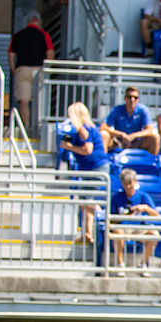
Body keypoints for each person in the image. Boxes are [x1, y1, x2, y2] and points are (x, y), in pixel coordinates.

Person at [58, 102, 108, 243]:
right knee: (87, 201)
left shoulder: (83, 130)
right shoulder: (91, 127)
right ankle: (89, 232)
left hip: (94, 168)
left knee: (86, 201)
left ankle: (90, 232)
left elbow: (88, 149)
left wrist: (69, 146)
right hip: (96, 167)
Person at [109, 168, 160, 275]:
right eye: (125, 184)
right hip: (123, 227)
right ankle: (120, 265)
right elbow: (111, 219)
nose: (128, 187)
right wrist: (122, 216)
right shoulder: (117, 198)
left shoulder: (143, 196)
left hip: (139, 227)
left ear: (135, 182)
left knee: (154, 234)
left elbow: (156, 214)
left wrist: (145, 208)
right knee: (117, 232)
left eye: (130, 183)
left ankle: (143, 264)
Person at [7, 11, 54, 122]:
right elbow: (50, 53)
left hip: (22, 70)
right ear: (39, 21)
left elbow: (11, 55)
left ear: (27, 21)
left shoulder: (17, 35)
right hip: (38, 70)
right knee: (39, 99)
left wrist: (14, 70)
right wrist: (47, 69)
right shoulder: (44, 35)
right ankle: (38, 126)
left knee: (24, 100)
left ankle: (26, 127)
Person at [103, 87, 159, 154]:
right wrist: (121, 135)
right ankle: (103, 162)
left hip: (137, 142)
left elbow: (149, 130)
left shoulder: (143, 110)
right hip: (119, 142)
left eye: (135, 97)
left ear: (138, 99)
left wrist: (133, 136)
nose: (132, 100)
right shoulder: (116, 110)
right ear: (125, 98)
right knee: (104, 134)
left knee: (155, 137)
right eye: (129, 97)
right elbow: (103, 127)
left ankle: (153, 162)